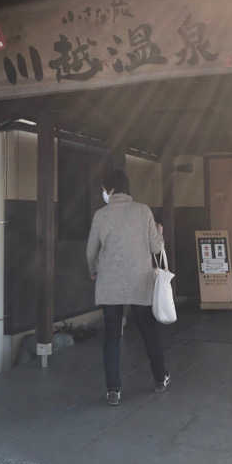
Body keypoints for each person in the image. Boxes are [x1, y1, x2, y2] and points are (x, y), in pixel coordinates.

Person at [86, 168, 170, 406]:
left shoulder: (101, 215)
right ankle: (160, 378)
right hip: (139, 281)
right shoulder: (143, 211)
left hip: (110, 283)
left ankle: (113, 390)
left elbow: (91, 250)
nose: (103, 193)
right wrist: (160, 233)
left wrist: (93, 270)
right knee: (148, 331)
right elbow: (156, 248)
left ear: (110, 189)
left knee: (111, 336)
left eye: (104, 189)